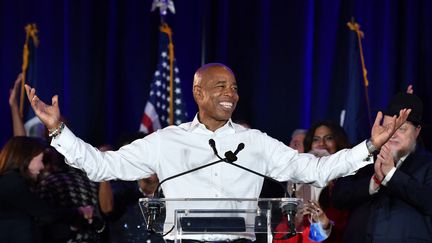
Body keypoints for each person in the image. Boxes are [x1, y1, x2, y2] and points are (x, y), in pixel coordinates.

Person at [25, 63, 410, 242]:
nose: (231, 93)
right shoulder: (166, 141)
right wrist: (58, 130)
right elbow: (102, 165)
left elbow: (314, 170)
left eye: (235, 87)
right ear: (198, 92)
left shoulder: (255, 142)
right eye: (221, 86)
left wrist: (370, 146)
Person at [331, 92, 432, 243]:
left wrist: (391, 174)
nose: (392, 134)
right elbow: (339, 198)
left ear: (417, 131)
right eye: (387, 128)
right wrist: (374, 182)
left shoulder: (427, 163)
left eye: (401, 129)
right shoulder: (364, 158)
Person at [0, 136, 94, 242]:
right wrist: (79, 211)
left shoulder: (12, 181)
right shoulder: (11, 181)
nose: (42, 166)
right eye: (41, 160)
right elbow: (47, 215)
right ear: (26, 158)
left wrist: (71, 227)